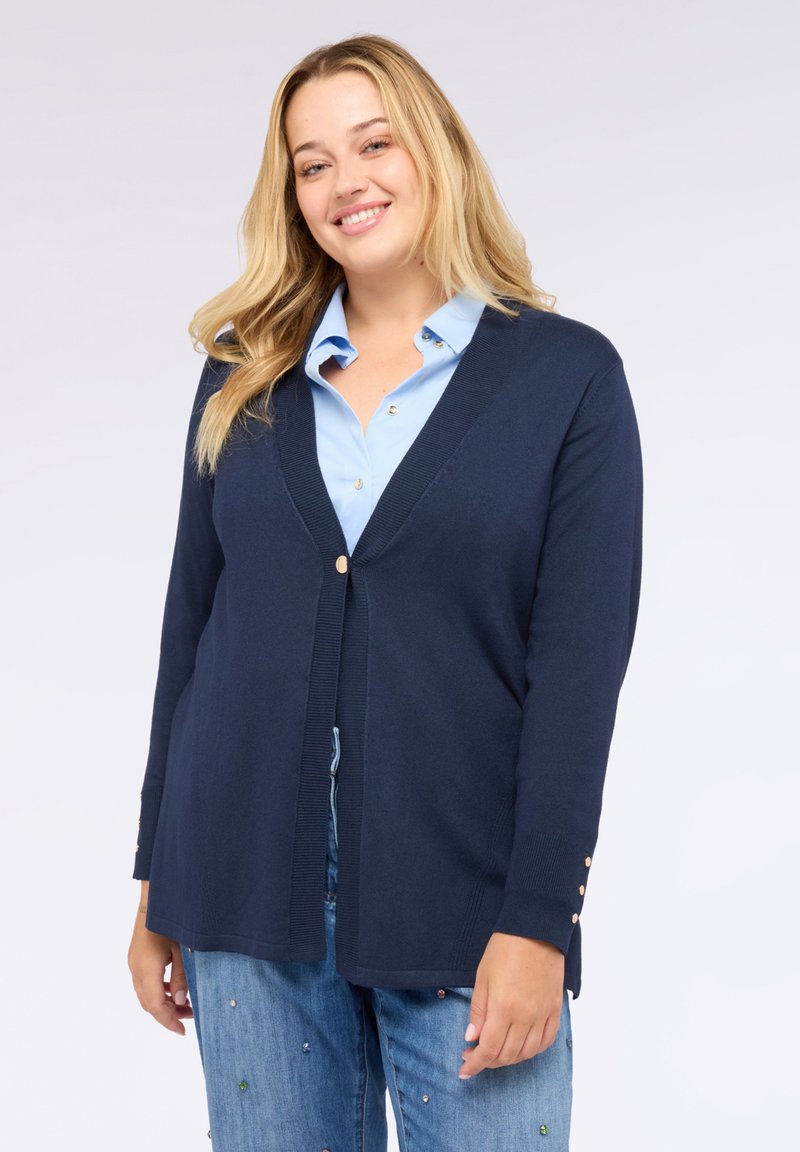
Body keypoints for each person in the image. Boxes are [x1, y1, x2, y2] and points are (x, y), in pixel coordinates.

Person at [127, 32, 643, 1152]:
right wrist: (157, 880)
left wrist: (540, 918)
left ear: (436, 150)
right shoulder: (244, 377)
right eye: (311, 163)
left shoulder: (566, 380)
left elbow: (576, 676)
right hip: (241, 889)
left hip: (466, 898)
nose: (344, 183)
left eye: (373, 144)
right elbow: (191, 630)